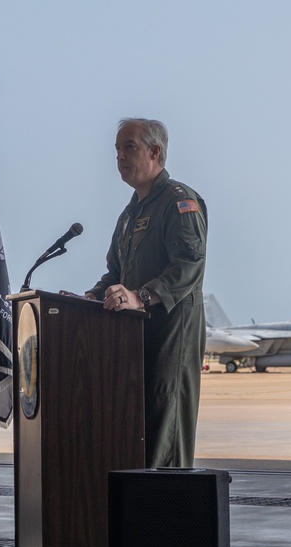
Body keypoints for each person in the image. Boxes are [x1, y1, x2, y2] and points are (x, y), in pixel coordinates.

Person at [85, 118, 208, 468]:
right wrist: (90, 298)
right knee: (138, 429)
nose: (120, 156)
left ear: (155, 152)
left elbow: (189, 263)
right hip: (134, 335)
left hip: (170, 333)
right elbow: (115, 273)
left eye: (129, 147)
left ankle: (167, 516)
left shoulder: (179, 201)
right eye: (117, 149)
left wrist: (141, 296)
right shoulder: (130, 213)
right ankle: (138, 513)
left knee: (163, 428)